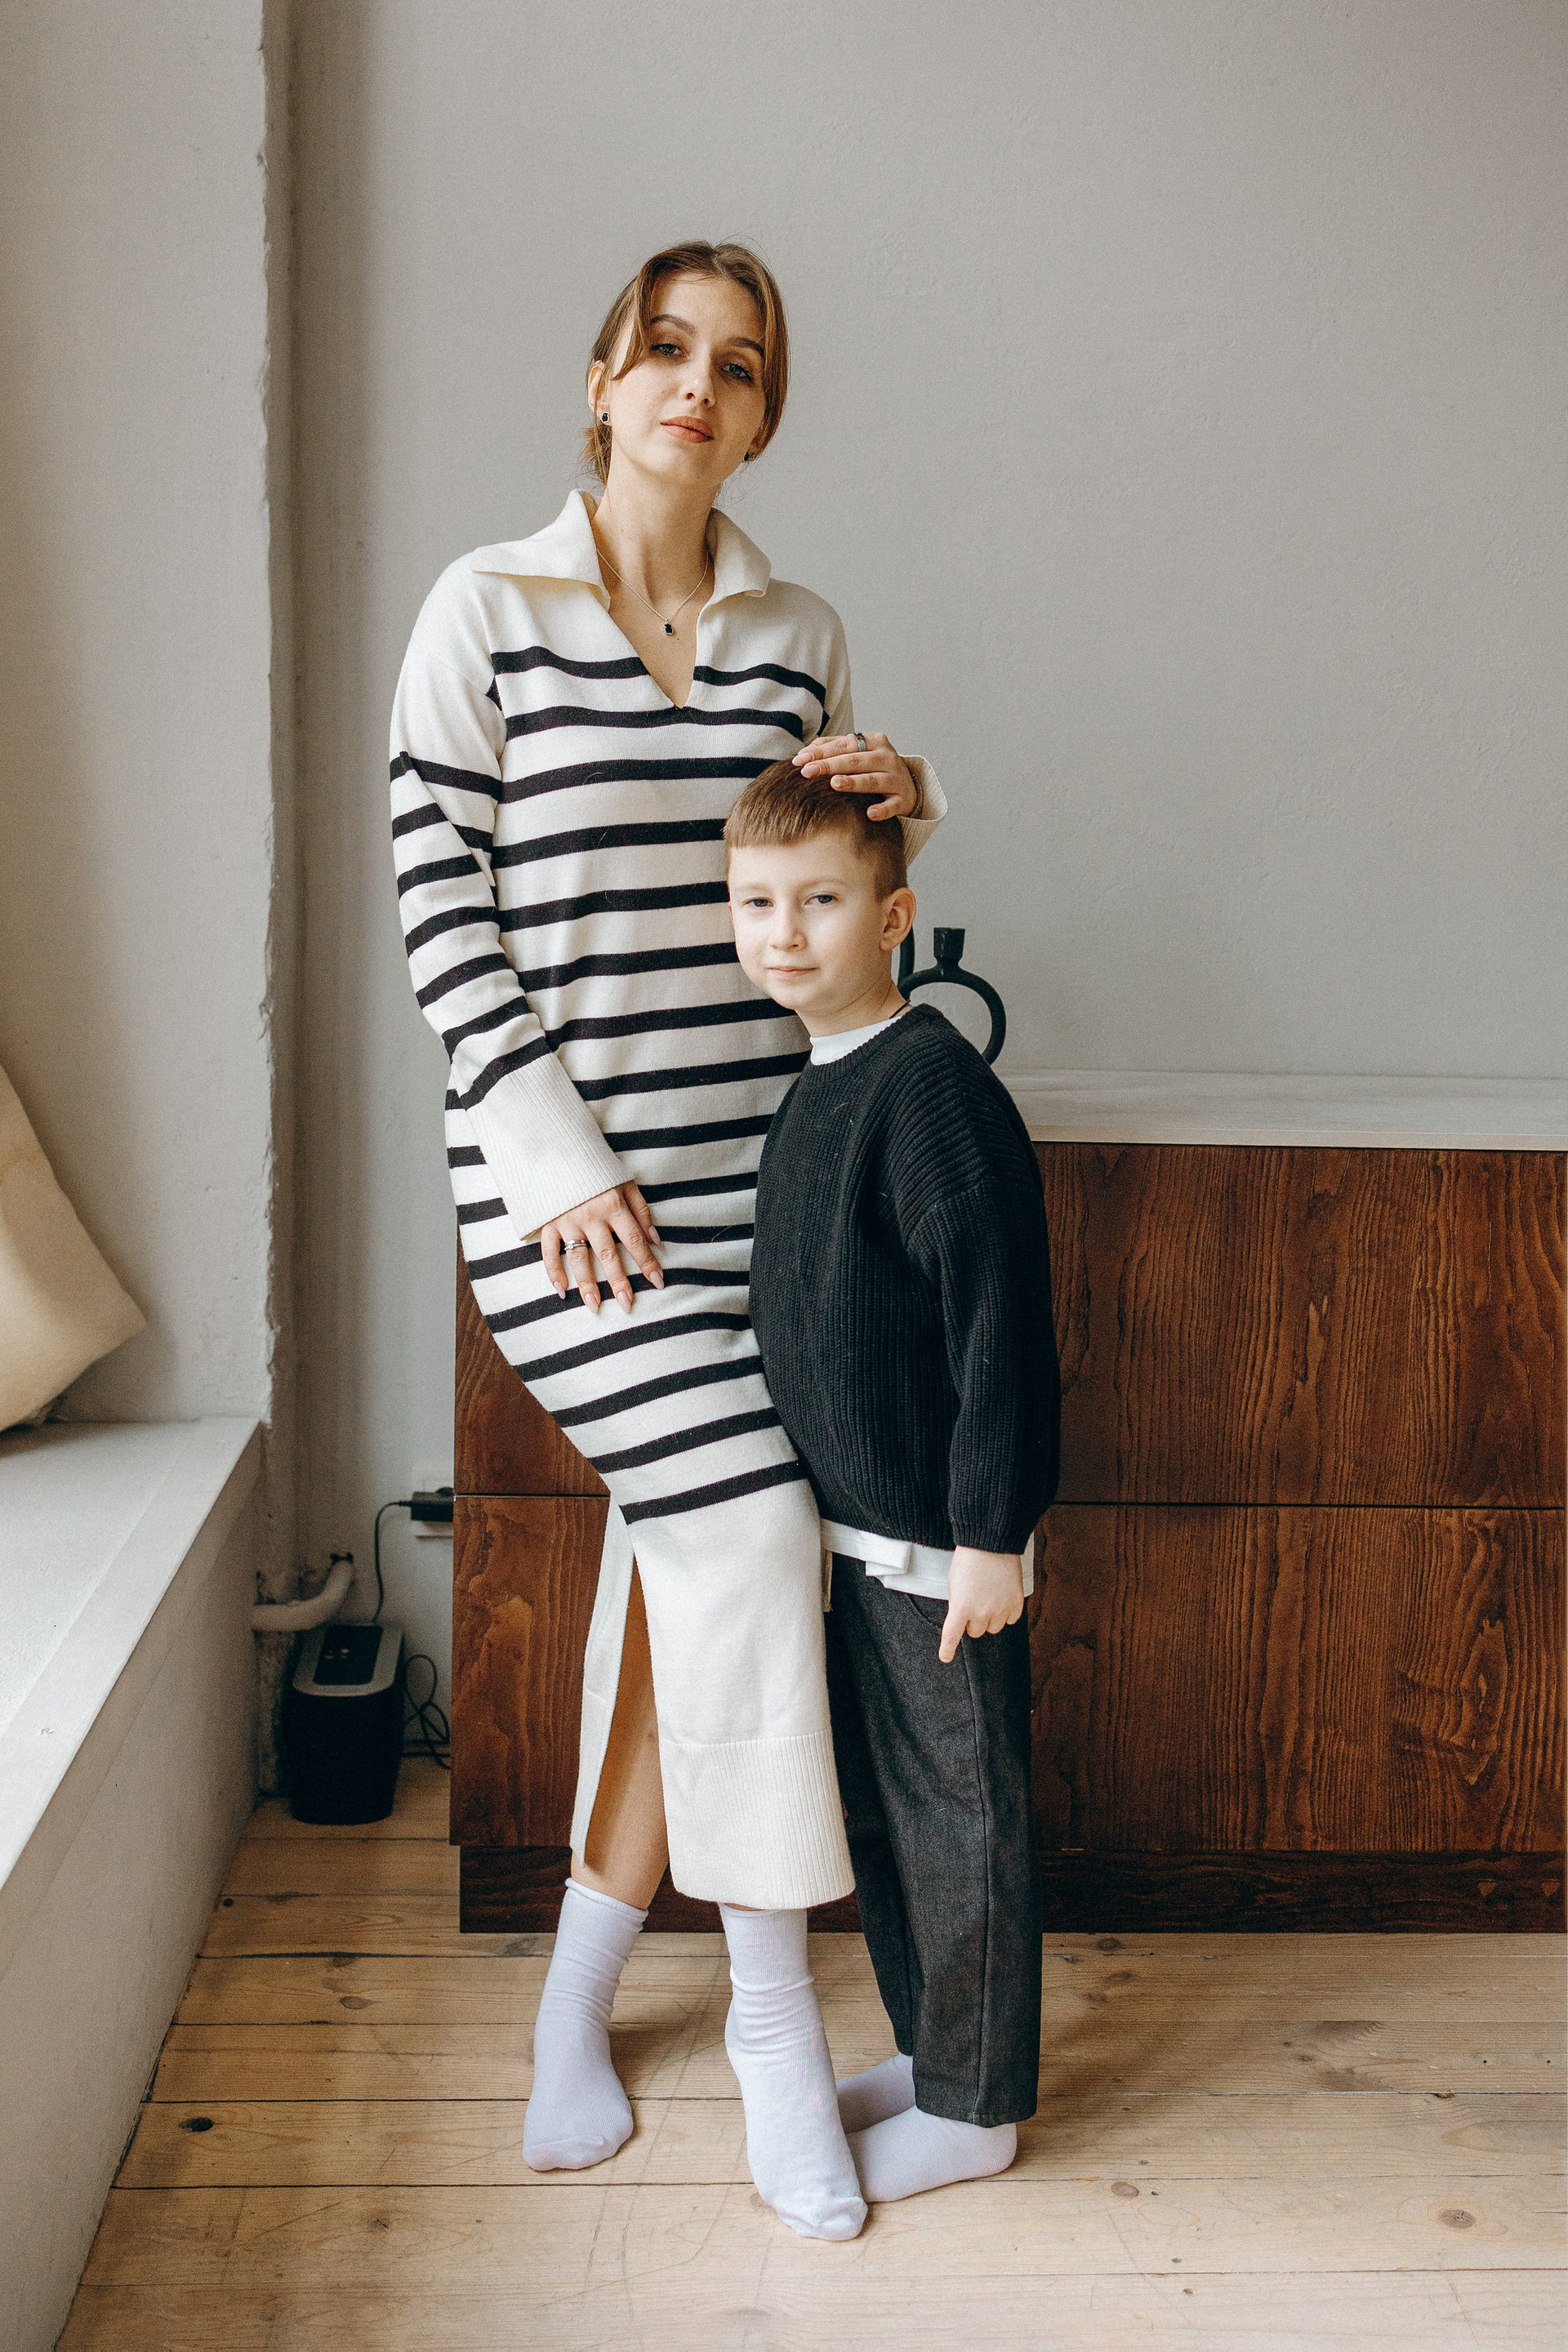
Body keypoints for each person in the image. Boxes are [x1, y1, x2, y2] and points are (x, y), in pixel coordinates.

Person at [390, 242, 948, 2239]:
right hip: (572, 1206)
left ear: (764, 412)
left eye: (741, 364)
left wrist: (917, 794)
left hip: (768, 1189)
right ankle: (777, 2021)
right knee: (752, 1542)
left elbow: (830, 878)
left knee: (688, 1584)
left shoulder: (798, 633)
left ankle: (573, 2004)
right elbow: (439, 908)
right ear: (604, 378)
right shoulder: (487, 609)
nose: (697, 386)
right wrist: (554, 1163)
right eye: (664, 350)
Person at [728, 758, 1061, 2204]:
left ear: (893, 915)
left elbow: (1001, 1327)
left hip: (938, 1547)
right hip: (850, 1542)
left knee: (960, 1825)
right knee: (882, 1821)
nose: (784, 933)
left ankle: (978, 2111)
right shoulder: (820, 1079)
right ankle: (937, 2060)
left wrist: (993, 1533)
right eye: (755, 904)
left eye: (819, 901)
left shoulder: (931, 1089)